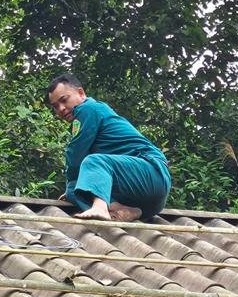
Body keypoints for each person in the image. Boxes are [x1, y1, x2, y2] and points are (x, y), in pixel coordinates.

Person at [46, 74, 171, 222]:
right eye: (55, 106)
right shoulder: (85, 116)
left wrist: (71, 182)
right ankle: (122, 210)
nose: (61, 108)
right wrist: (71, 188)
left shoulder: (88, 109)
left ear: (81, 93)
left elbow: (75, 155)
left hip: (152, 172)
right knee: (75, 189)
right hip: (149, 206)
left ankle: (100, 207)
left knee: (93, 161)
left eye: (64, 100)